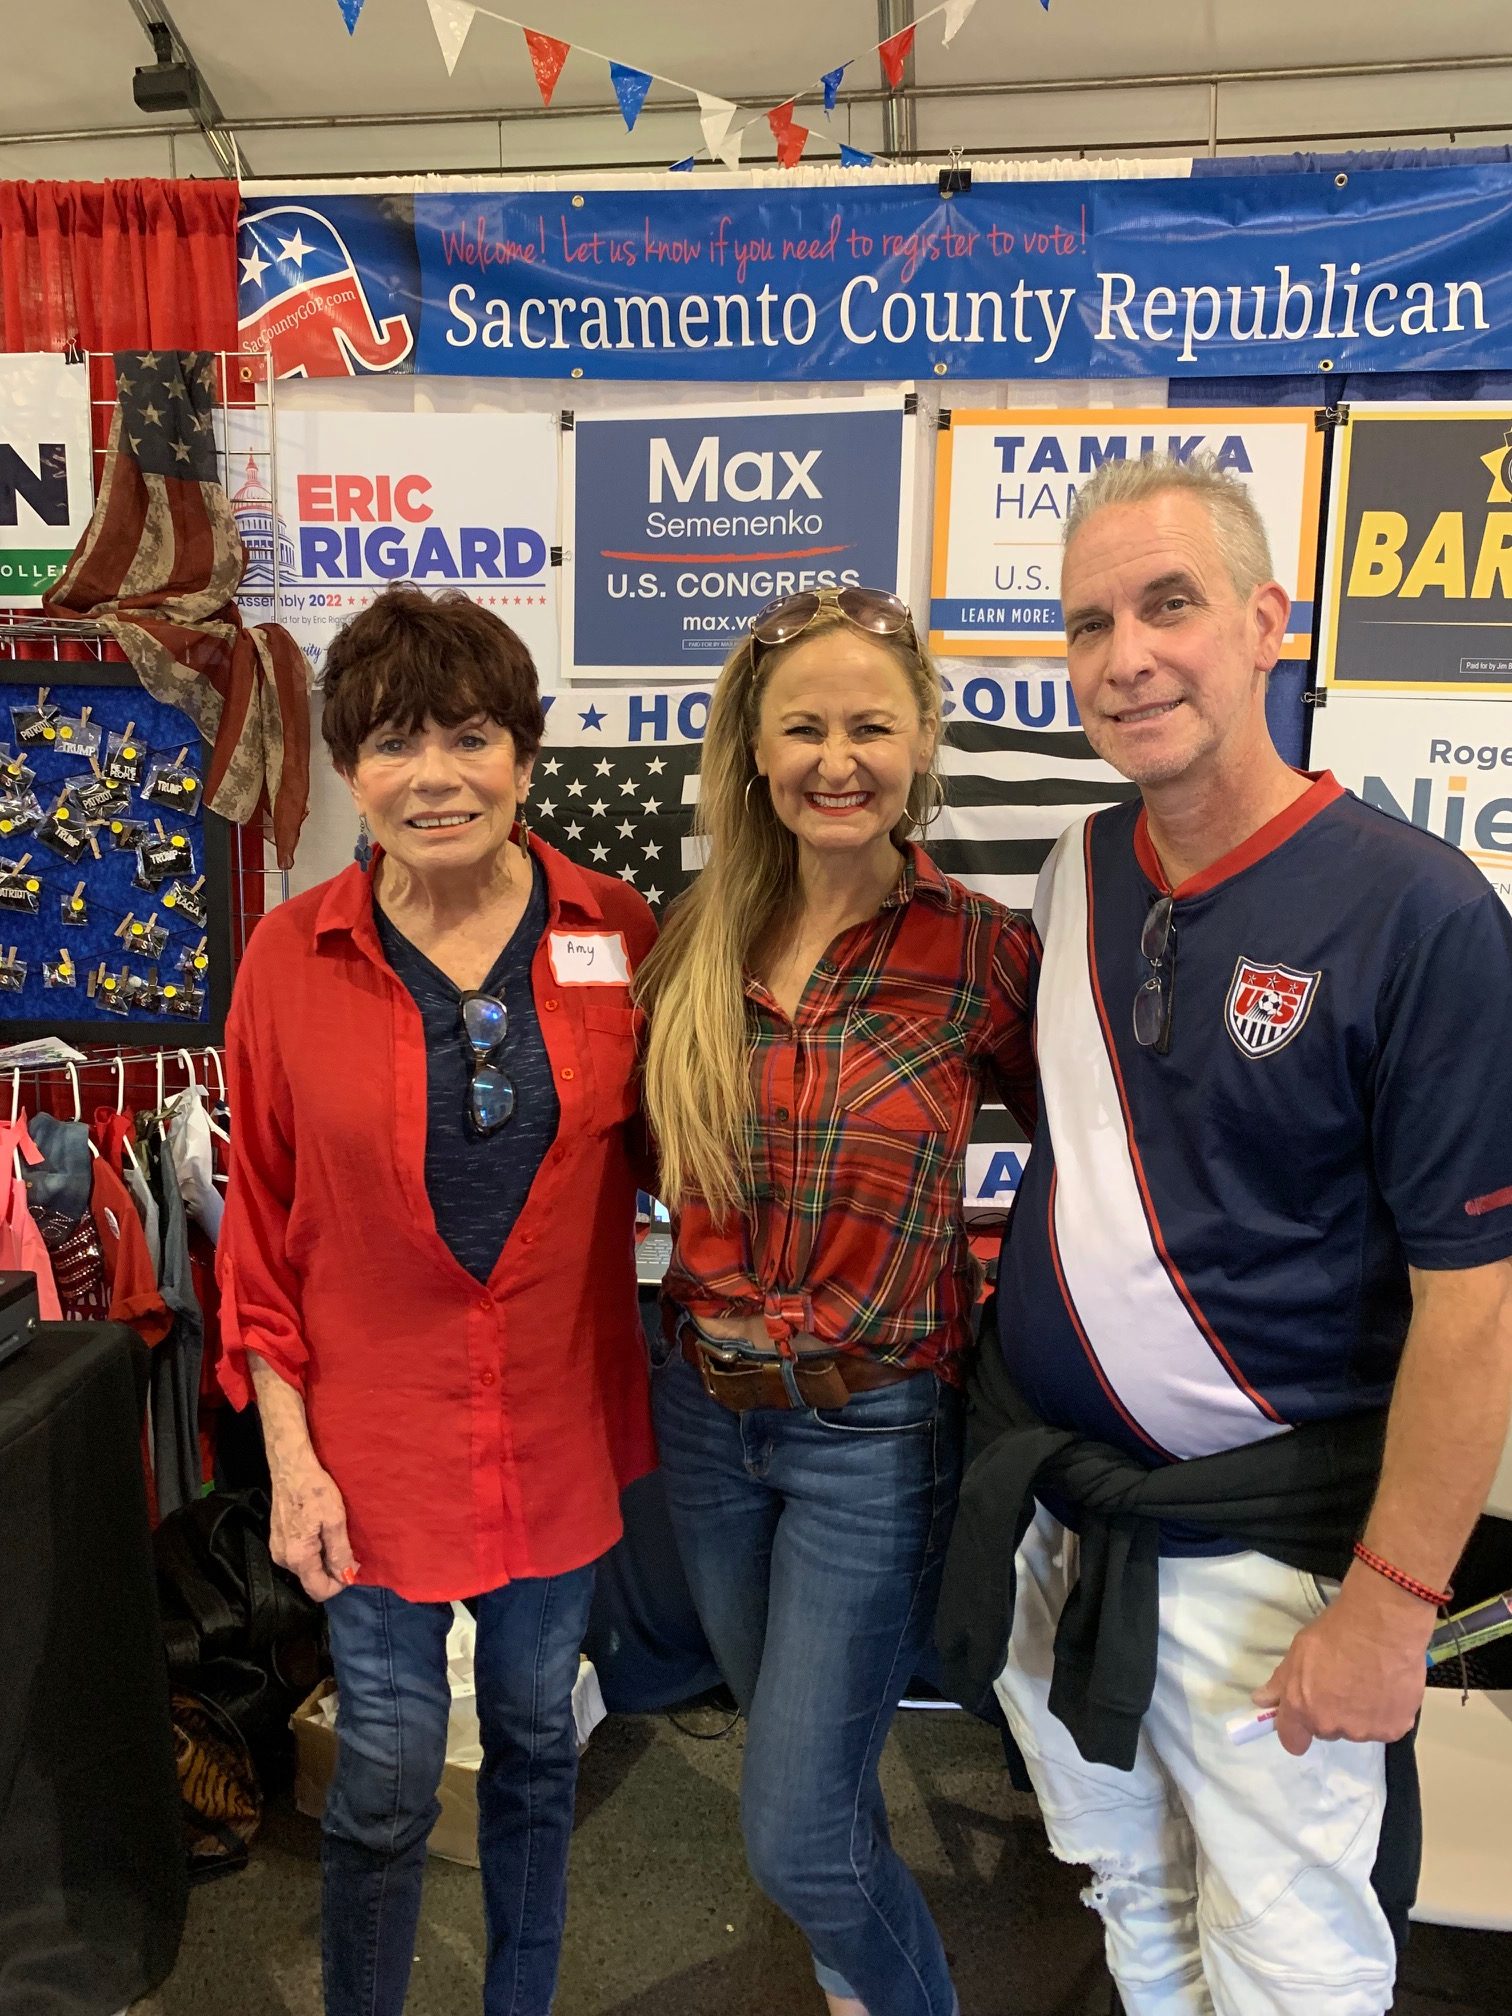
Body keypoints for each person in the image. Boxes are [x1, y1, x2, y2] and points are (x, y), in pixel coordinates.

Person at [935, 454, 1512, 2016]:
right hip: (1063, 1520)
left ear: (1269, 624)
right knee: (1131, 1895)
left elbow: (1477, 1309)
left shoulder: (1420, 915)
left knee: (1293, 1966)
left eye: (1169, 605)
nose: (1125, 656)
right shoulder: (1076, 869)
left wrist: (1391, 1608)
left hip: (1272, 1561)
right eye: (1089, 623)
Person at [216, 586, 657, 2016]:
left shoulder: (618, 931)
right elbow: (259, 1230)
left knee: (535, 1750)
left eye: (470, 736)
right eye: (394, 743)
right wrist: (290, 1459)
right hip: (371, 1450)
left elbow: (693, 1149)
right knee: (389, 1778)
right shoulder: (289, 959)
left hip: (552, 1429)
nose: (435, 776)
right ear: (351, 770)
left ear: (524, 755)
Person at [634, 583, 1037, 2016]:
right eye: (803, 727)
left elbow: (1098, 1158)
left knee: (798, 1832)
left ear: (922, 741)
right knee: (812, 1792)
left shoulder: (982, 952)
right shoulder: (689, 940)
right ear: (753, 750)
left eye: (871, 725)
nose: (837, 759)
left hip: (873, 1433)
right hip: (706, 1416)